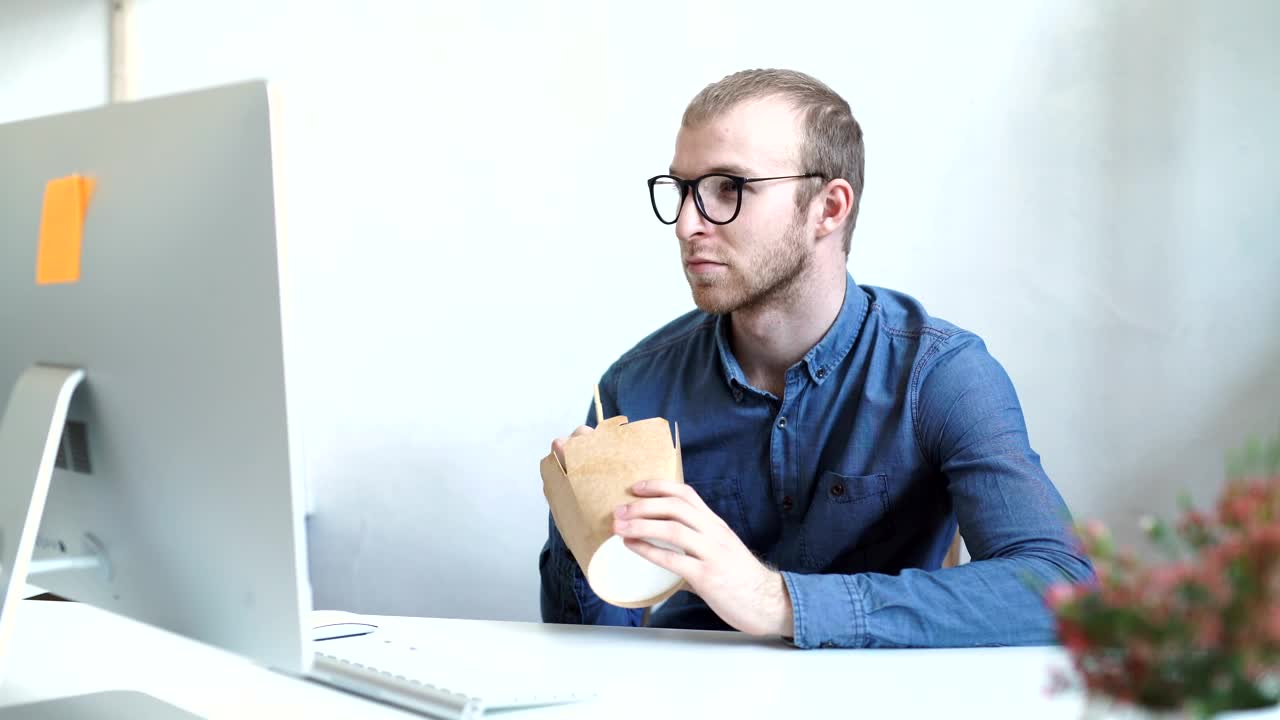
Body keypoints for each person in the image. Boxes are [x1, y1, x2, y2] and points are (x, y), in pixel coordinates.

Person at [538, 68, 1093, 648]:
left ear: (828, 208)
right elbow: (595, 656)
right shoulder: (636, 388)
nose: (686, 224)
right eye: (682, 189)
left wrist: (777, 602)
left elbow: (1062, 588)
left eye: (729, 187)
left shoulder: (940, 376)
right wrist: (581, 530)